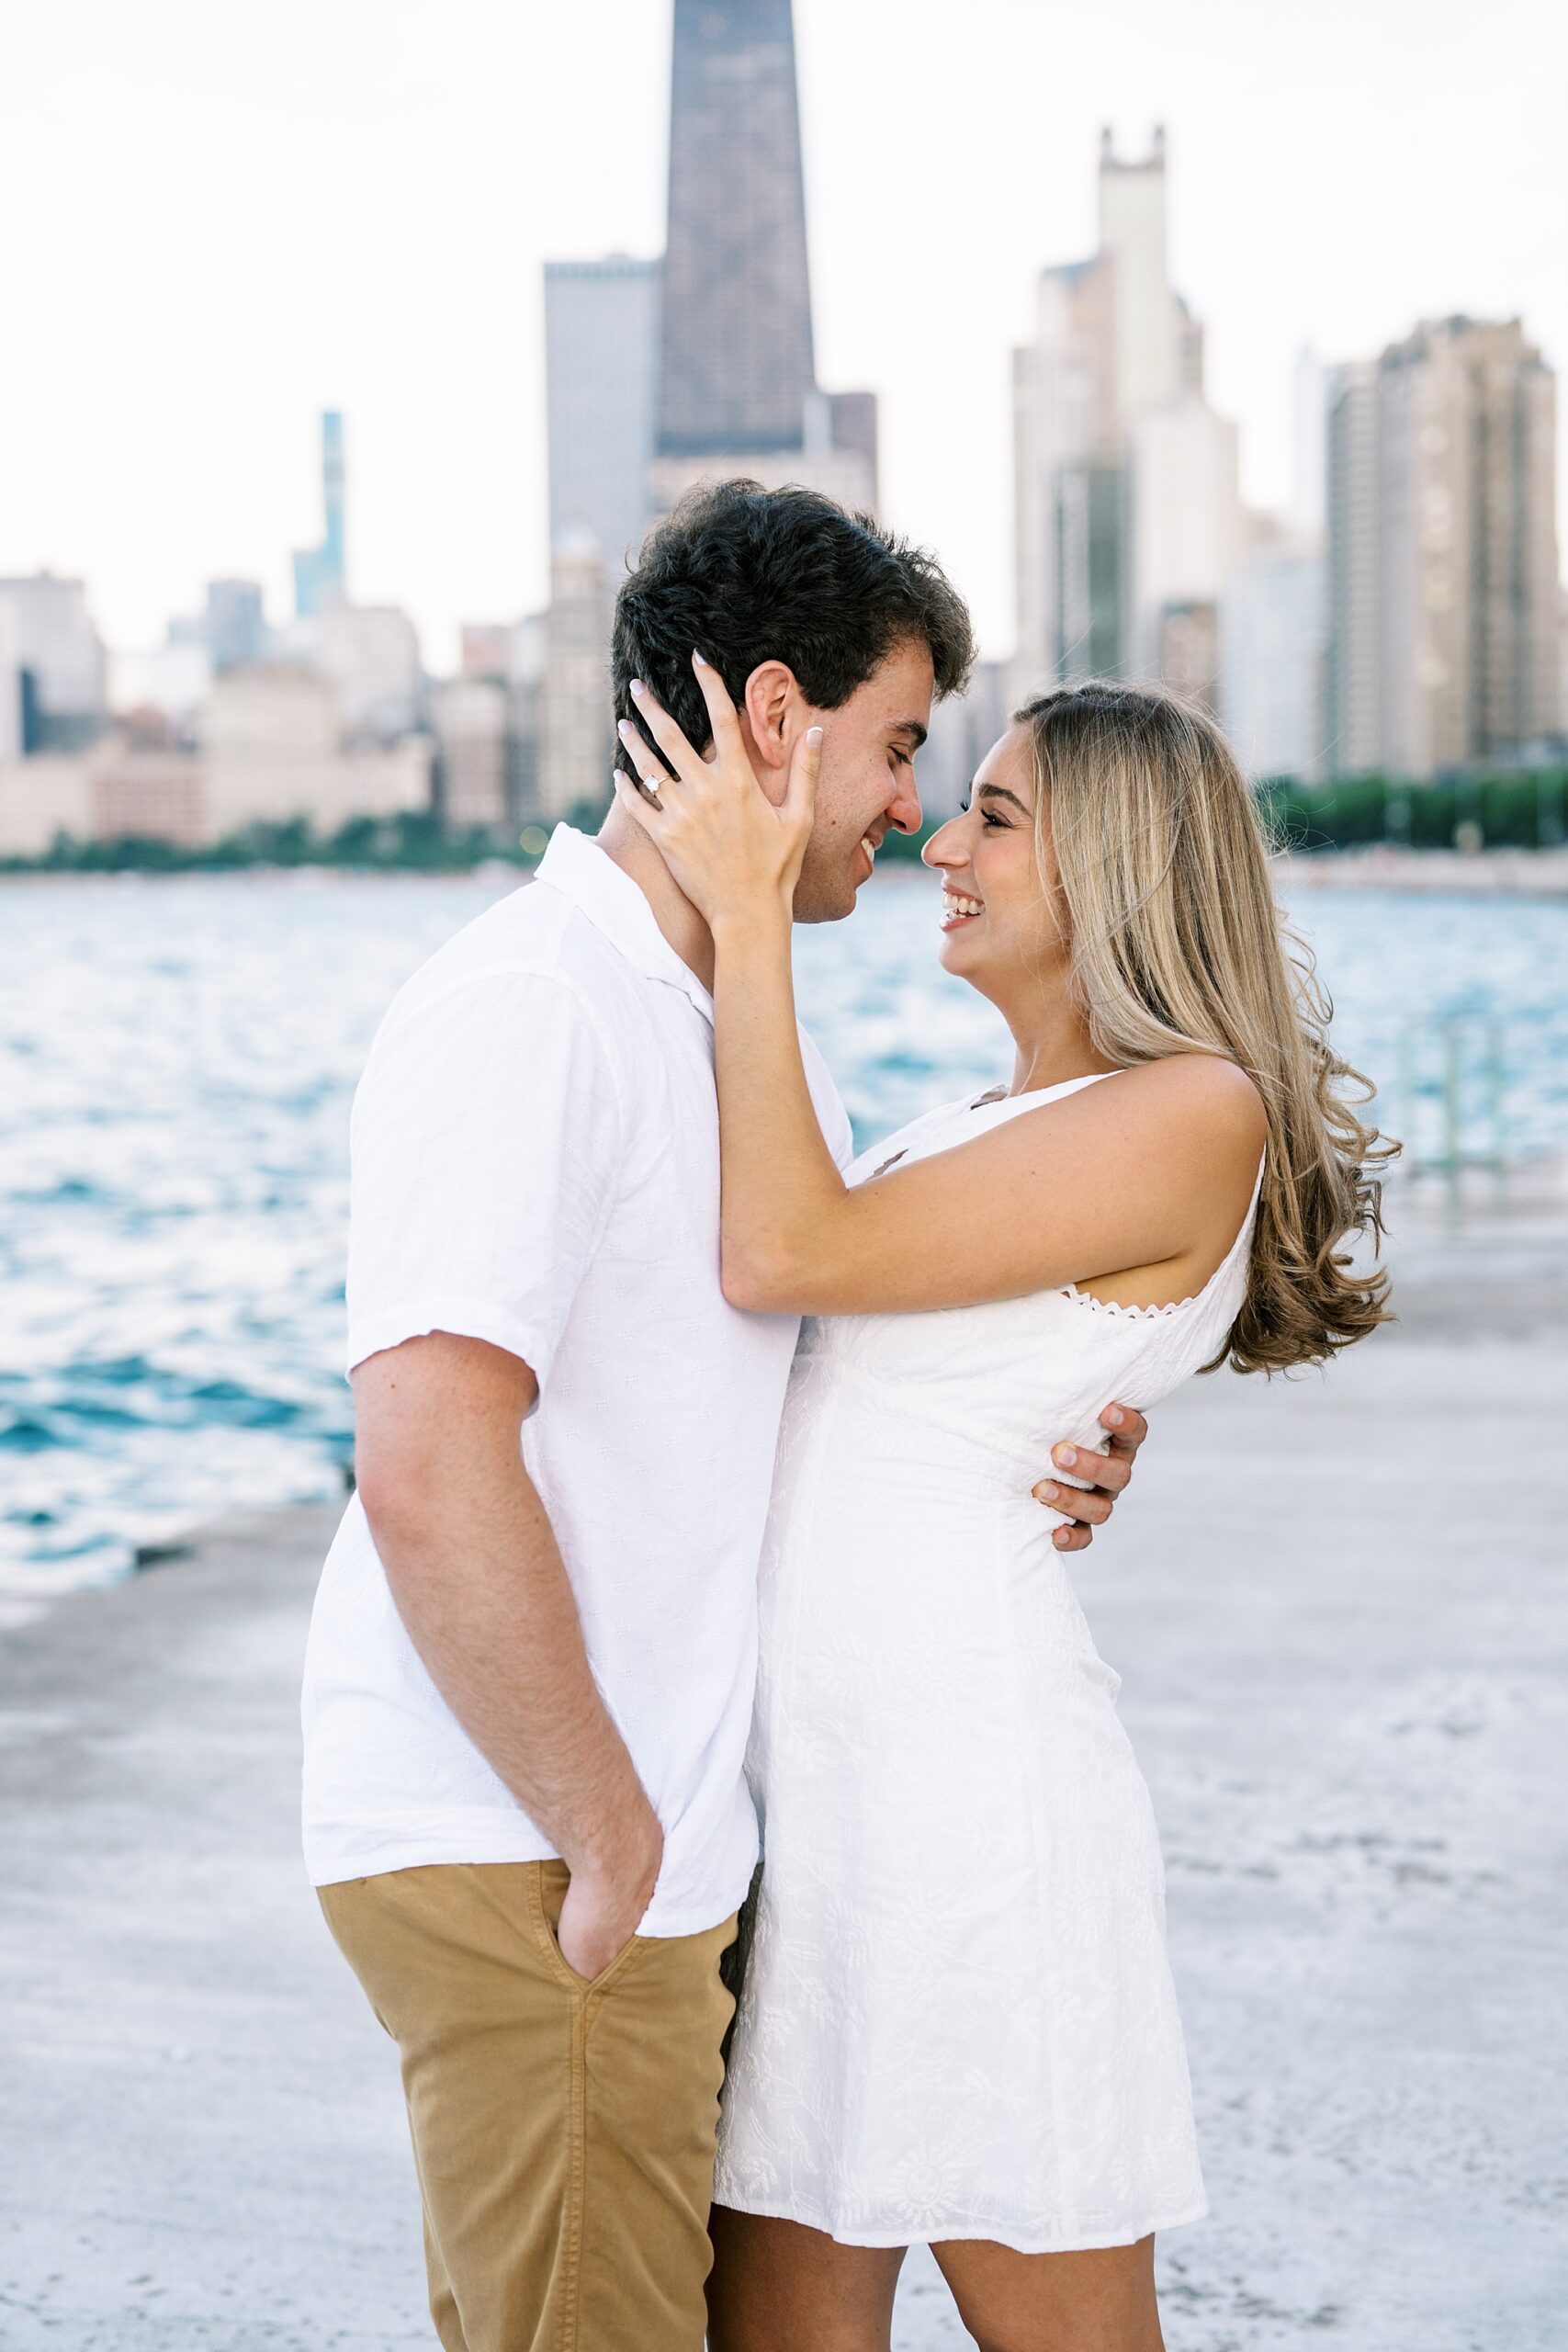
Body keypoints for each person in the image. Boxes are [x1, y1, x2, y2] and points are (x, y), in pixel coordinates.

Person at [300, 483, 1163, 2352]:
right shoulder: (536, 1001)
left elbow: (793, 1373)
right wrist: (610, 1838)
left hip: (669, 1838)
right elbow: (428, 1459)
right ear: (777, 717)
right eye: (898, 745)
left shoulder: (728, 1032)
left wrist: (1038, 1424)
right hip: (541, 1837)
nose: (910, 811)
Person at [610, 664, 1393, 2352]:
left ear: (1117, 863)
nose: (942, 843)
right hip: (817, 1802)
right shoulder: (979, 1121)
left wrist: (748, 920)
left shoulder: (1194, 1107)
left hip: (966, 1816)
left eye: (997, 815)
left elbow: (785, 1251)